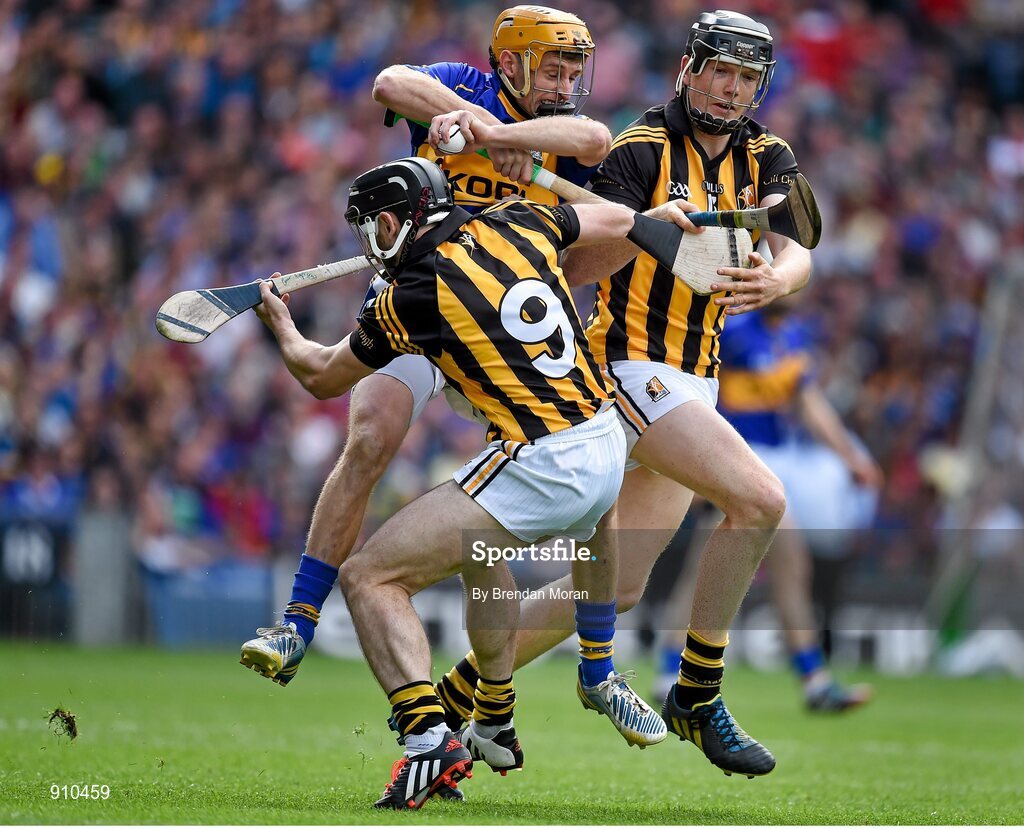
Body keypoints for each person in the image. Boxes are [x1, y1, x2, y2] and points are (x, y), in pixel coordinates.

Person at [433, 9, 811, 779]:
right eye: (722, 72)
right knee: (762, 501)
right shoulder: (640, 149)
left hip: (691, 384)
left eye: (748, 78)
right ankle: (698, 691)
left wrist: (779, 276)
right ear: (689, 68)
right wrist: (639, 225)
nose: (733, 90)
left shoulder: (767, 153)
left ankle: (454, 696)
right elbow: (577, 249)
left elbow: (798, 237)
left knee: (620, 584)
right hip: (629, 371)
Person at [251, 157, 668, 808]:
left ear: (392, 221)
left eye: (370, 230)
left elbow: (322, 375)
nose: (369, 246)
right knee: (480, 547)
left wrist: (280, 322)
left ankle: (427, 738)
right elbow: (616, 218)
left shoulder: (411, 294)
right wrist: (656, 221)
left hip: (543, 461)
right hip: (605, 444)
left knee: (370, 578)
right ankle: (502, 713)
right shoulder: (521, 217)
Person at [239, 4, 610, 687]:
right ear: (511, 61)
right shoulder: (464, 85)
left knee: (538, 469)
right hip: (420, 305)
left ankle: (588, 667)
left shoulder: (555, 132)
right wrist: (466, 119)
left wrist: (506, 135)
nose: (565, 80)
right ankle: (297, 620)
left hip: (496, 325)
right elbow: (388, 82)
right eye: (553, 65)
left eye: (573, 68)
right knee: (370, 438)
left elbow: (593, 140)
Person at [654, 302, 883, 712]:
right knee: (766, 564)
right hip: (733, 458)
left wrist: (851, 458)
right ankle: (812, 679)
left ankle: (671, 671)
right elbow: (700, 393)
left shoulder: (794, 335)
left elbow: (810, 405)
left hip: (770, 466)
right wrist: (697, 463)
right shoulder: (735, 331)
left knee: (739, 566)